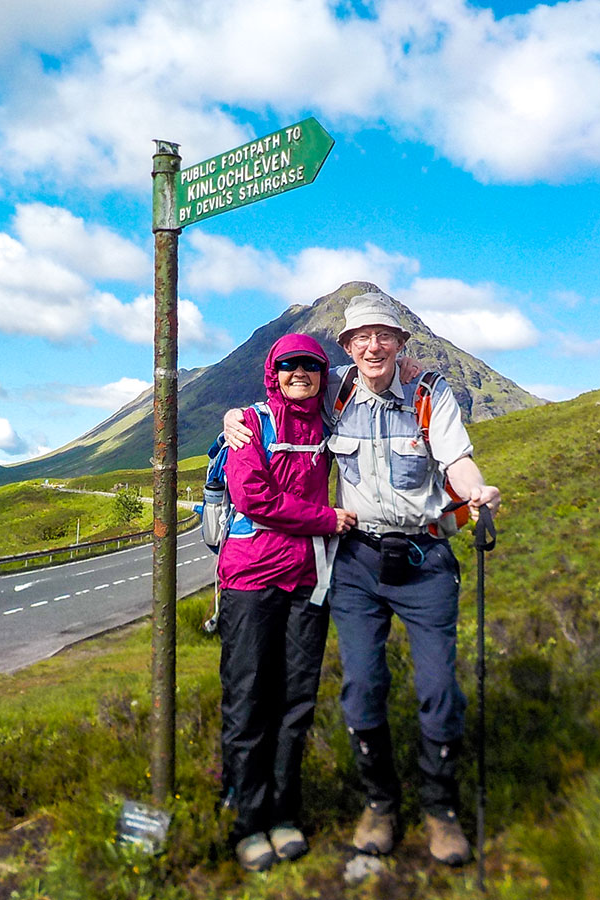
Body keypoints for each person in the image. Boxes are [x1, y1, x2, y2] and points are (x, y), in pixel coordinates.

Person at [224, 290, 501, 866]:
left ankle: (440, 810)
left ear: (402, 342)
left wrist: (475, 488)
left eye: (385, 335)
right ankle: (377, 804)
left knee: (438, 691)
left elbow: (456, 459)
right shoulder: (335, 390)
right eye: (360, 337)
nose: (373, 346)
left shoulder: (428, 392)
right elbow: (275, 420)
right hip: (354, 563)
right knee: (361, 688)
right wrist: (233, 420)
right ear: (347, 346)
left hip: (424, 560)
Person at [216, 332, 358, 872]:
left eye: (311, 365)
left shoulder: (329, 423)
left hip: (307, 582)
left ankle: (283, 814)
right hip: (251, 582)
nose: (300, 373)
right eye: (289, 365)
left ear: (324, 374)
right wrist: (326, 519)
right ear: (271, 373)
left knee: (295, 703)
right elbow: (253, 497)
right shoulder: (249, 424)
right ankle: (247, 821)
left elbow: (384, 371)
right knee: (249, 699)